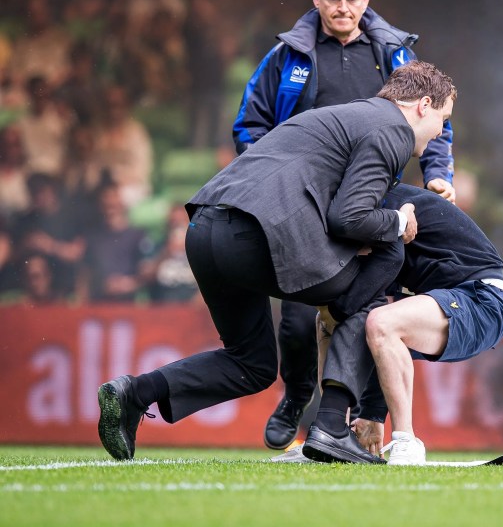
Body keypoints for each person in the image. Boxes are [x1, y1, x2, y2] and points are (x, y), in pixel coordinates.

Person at [96, 60, 455, 461]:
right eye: (443, 119)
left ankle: (134, 393)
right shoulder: (392, 130)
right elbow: (350, 217)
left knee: (251, 364)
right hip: (255, 234)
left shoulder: (345, 115)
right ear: (424, 104)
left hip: (205, 229)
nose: (441, 132)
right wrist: (397, 220)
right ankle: (334, 426)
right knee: (375, 284)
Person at [233, 0, 456, 451]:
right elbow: (250, 126)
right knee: (296, 314)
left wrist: (438, 175)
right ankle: (298, 396)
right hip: (304, 203)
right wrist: (269, 182)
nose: (343, 7)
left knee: (383, 309)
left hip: (377, 200)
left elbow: (433, 115)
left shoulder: (396, 55)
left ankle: (369, 419)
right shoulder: (287, 57)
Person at [295, 183, 503, 465]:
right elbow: (366, 322)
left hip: (482, 300)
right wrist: (371, 415)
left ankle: (407, 441)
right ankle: (332, 436)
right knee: (329, 321)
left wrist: (337, 309)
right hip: (447, 300)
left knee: (379, 322)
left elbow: (378, 319)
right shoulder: (354, 208)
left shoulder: (365, 208)